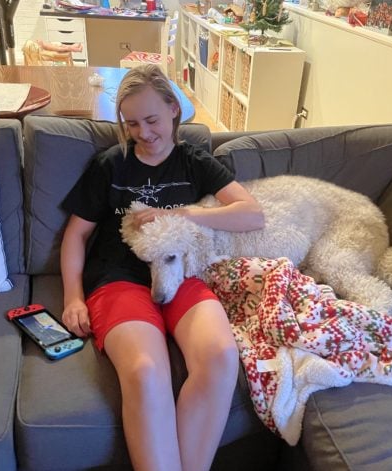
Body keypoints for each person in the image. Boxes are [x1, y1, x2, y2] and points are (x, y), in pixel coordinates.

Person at [60, 64, 264, 471]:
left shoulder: (194, 162)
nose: (143, 132)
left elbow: (252, 214)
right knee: (145, 371)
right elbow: (76, 235)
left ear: (174, 109)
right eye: (132, 123)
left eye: (151, 119)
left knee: (221, 355)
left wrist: (182, 213)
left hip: (181, 275)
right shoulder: (110, 165)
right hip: (119, 280)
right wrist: (72, 298)